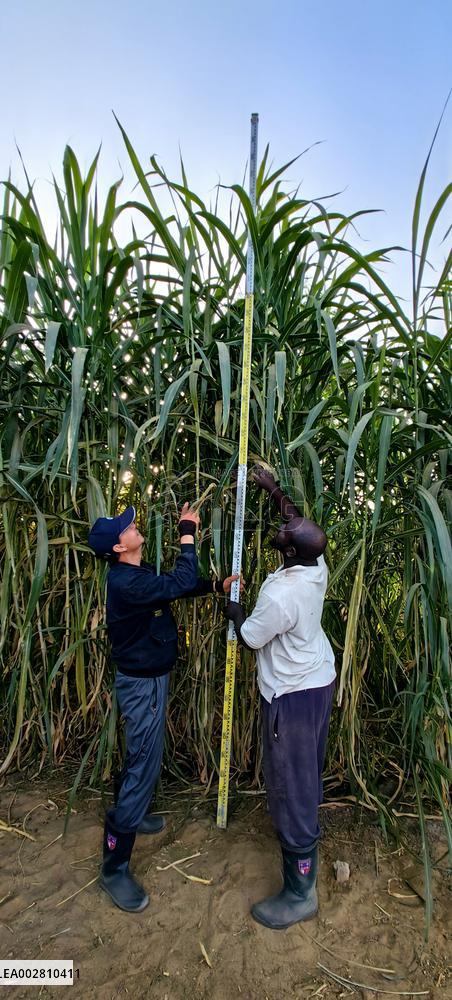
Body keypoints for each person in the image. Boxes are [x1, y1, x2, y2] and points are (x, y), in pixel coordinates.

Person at [88, 501, 241, 913]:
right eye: (128, 527)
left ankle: (131, 815)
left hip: (147, 680)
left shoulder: (134, 575)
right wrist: (187, 533)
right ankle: (114, 867)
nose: (134, 526)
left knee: (140, 755)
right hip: (142, 686)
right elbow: (179, 576)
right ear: (119, 548)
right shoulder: (125, 584)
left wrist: (213, 587)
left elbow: (175, 585)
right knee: (143, 763)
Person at [225, 468, 335, 930]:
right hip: (317, 681)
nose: (280, 529)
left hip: (289, 695)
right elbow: (295, 522)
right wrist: (272, 490)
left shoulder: (280, 595)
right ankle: (306, 837)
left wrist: (229, 607)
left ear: (290, 552)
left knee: (289, 783)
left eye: (282, 535)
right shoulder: (316, 565)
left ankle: (299, 890)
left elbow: (250, 638)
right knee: (306, 768)